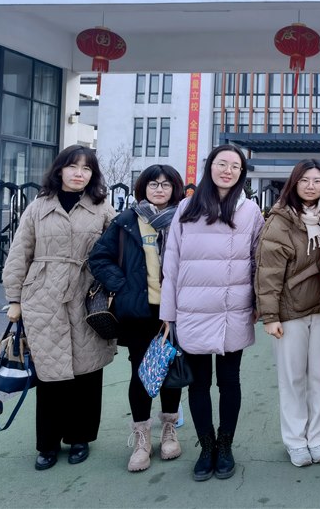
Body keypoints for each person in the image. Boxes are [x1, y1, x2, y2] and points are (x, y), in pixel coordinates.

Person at [2, 145, 116, 470]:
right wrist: (14, 299)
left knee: (87, 372)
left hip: (87, 295)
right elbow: (20, 253)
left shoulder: (102, 208)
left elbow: (118, 249)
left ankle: (81, 438)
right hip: (43, 296)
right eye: (73, 166)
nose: (79, 173)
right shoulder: (39, 207)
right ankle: (48, 444)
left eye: (87, 168)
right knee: (51, 373)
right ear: (60, 169)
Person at [161, 145, 264, 482]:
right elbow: (171, 262)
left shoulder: (250, 210)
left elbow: (259, 262)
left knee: (230, 381)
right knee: (199, 383)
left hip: (234, 308)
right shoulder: (187, 207)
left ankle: (225, 445)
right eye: (222, 164)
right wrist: (168, 314)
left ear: (241, 173)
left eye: (235, 166)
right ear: (210, 167)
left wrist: (258, 304)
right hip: (192, 309)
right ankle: (206, 447)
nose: (228, 171)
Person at [89, 164, 187, 473]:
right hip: (139, 311)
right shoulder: (127, 220)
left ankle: (169, 429)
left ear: (175, 189)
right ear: (143, 188)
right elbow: (99, 258)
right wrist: (123, 286)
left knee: (171, 370)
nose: (159, 189)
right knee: (142, 373)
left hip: (176, 310)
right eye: (153, 184)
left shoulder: (185, 220)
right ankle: (142, 437)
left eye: (166, 184)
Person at [254, 159, 320, 468]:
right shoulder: (280, 220)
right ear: (294, 183)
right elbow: (268, 272)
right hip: (290, 312)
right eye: (304, 180)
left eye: (317, 181)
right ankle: (295, 441)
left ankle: (316, 437)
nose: (311, 186)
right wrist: (270, 316)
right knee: (292, 379)